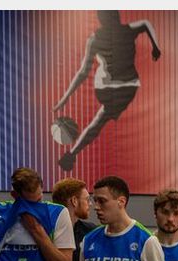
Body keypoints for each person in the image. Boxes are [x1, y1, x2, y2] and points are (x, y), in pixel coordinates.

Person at [53, 11, 160, 172]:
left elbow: (83, 72)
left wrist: (65, 98)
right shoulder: (127, 31)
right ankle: (72, 154)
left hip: (109, 88)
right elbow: (145, 23)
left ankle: (72, 154)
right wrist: (155, 47)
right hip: (124, 87)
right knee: (98, 121)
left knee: (99, 121)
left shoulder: (96, 39)